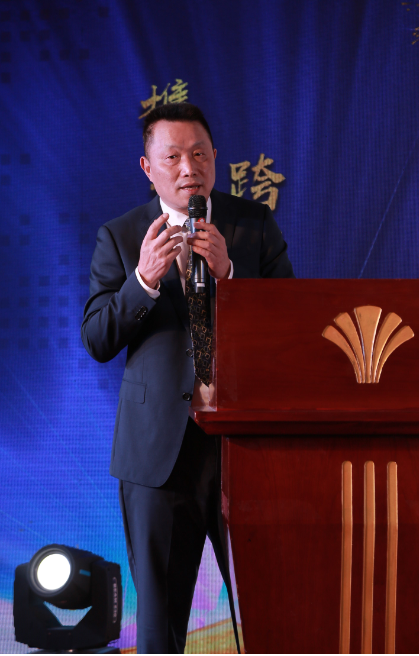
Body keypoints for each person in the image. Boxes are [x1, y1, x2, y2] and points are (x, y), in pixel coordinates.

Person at [81, 103, 294, 654]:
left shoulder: (253, 226)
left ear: (215, 157)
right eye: (172, 156)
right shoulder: (121, 236)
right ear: (148, 167)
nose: (188, 168)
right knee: (160, 628)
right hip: (157, 455)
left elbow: (292, 329)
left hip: (245, 449)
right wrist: (143, 281)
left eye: (199, 154)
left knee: (270, 616)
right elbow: (98, 339)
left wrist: (231, 276)